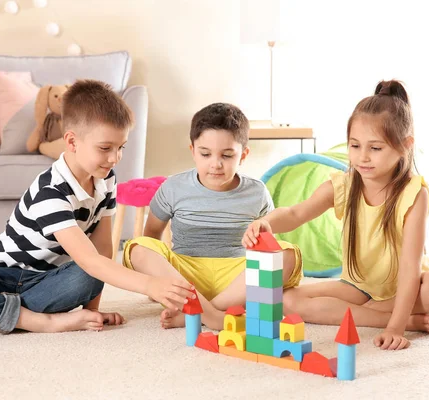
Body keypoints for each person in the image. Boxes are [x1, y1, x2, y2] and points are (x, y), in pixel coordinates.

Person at [0, 79, 194, 338]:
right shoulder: (50, 191)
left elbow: (101, 253)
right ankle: (39, 322)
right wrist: (149, 284)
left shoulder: (106, 180)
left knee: (89, 273)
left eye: (120, 147)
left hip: (45, 281)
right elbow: (90, 260)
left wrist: (92, 311)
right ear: (73, 141)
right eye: (105, 148)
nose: (114, 158)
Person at [243, 80, 429, 350]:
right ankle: (395, 318)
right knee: (287, 301)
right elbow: (296, 213)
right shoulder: (343, 185)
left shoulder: (414, 194)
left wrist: (395, 328)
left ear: (405, 146)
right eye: (355, 146)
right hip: (357, 286)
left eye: (375, 148)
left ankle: (393, 316)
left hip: (407, 286)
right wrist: (266, 222)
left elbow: (410, 267)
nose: (363, 157)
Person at [123, 103, 303, 330]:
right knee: (138, 247)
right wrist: (159, 280)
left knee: (286, 254)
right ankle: (210, 312)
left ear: (243, 155)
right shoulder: (173, 187)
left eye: (227, 155)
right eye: (205, 154)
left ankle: (202, 312)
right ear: (192, 151)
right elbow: (151, 235)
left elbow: (266, 247)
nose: (215, 164)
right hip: (186, 274)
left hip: (235, 278)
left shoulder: (257, 192)